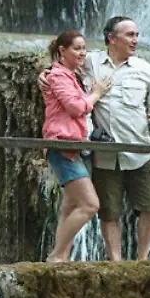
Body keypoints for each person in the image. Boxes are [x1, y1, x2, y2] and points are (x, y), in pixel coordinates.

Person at [82, 16, 150, 261]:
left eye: (137, 35)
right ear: (111, 38)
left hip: (139, 152)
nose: (135, 40)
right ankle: (116, 262)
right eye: (130, 35)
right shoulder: (90, 63)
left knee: (149, 207)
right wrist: (47, 74)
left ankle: (143, 260)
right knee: (109, 212)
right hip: (105, 155)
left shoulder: (145, 70)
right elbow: (61, 61)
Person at [42, 29, 112, 263]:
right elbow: (75, 107)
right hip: (63, 146)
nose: (82, 53)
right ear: (62, 50)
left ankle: (61, 256)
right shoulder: (58, 76)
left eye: (84, 48)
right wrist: (96, 94)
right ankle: (55, 255)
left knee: (70, 206)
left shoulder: (70, 75)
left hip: (73, 145)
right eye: (77, 48)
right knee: (90, 204)